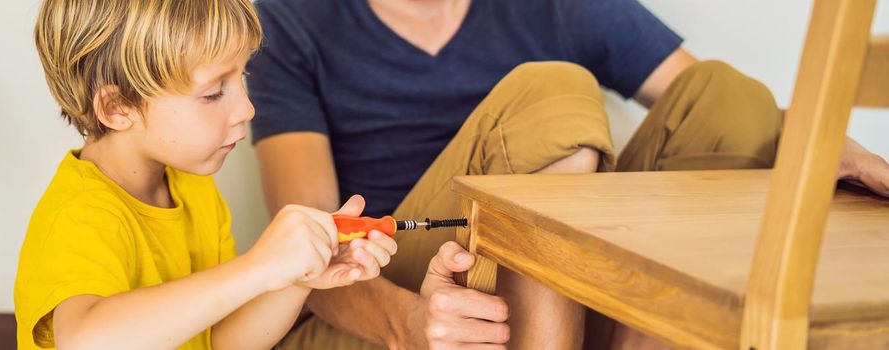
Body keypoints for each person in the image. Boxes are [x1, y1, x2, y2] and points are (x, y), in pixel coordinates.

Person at [245, 0, 889, 348]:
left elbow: (714, 108)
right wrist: (410, 325)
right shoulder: (294, 19)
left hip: (553, 297)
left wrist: (829, 141)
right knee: (551, 90)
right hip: (393, 297)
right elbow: (309, 258)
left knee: (728, 95)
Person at [13, 0, 398, 349]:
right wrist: (259, 266)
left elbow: (221, 341)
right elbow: (85, 341)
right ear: (117, 108)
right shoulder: (79, 215)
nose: (247, 108)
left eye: (240, 77)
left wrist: (298, 278)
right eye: (214, 93)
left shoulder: (192, 187)